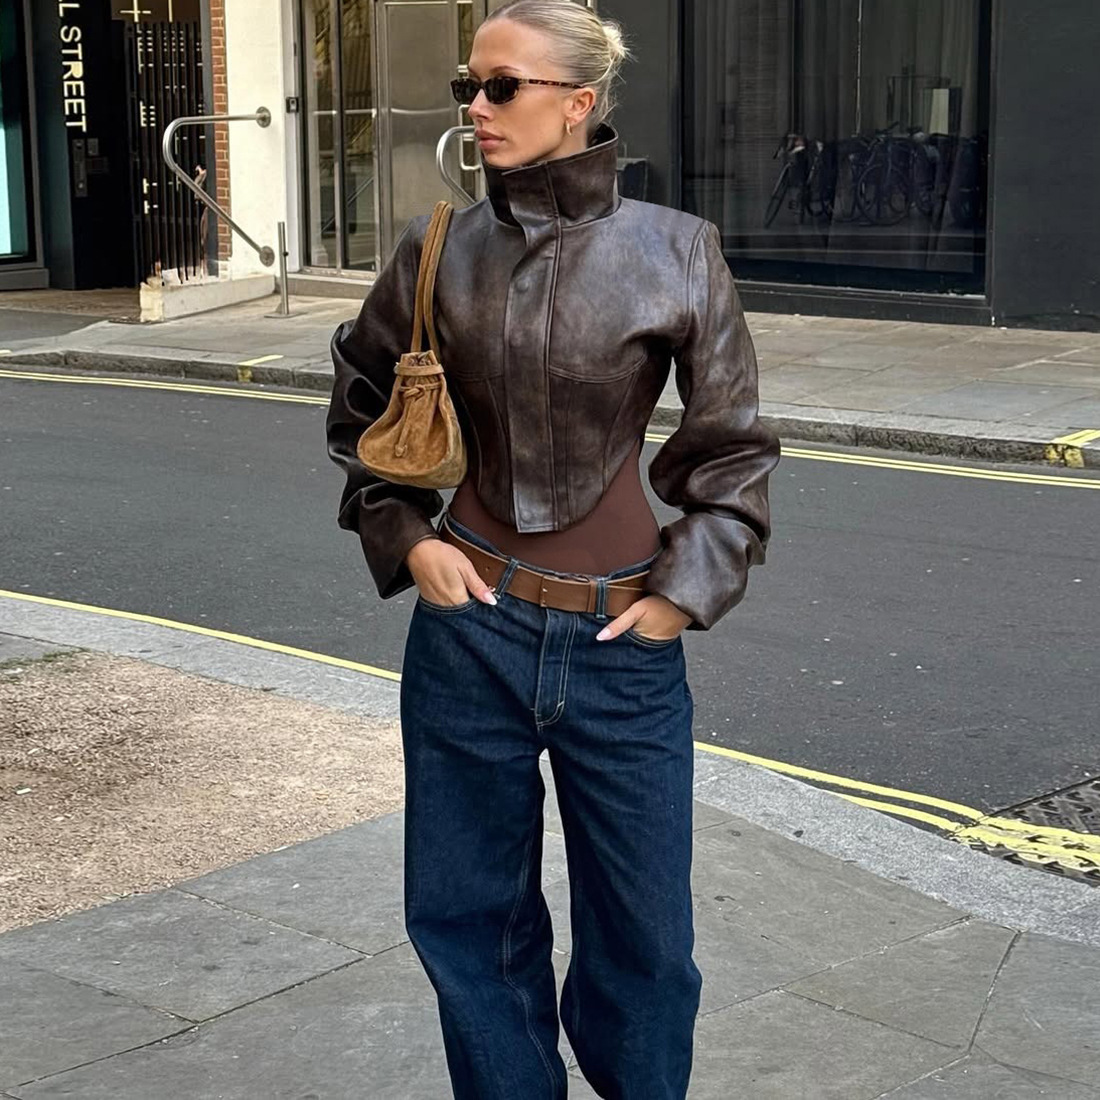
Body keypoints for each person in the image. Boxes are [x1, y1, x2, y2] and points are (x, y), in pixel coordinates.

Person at [326, 2, 780, 1096]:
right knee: (467, 922)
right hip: (467, 635)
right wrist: (404, 536)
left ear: (579, 102)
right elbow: (361, 410)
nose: (475, 108)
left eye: (501, 86)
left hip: (623, 643)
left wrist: (682, 591)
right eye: (467, 87)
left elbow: (731, 450)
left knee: (647, 943)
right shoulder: (436, 247)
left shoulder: (675, 249)